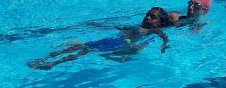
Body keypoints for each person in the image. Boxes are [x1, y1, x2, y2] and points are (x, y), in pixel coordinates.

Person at [28, 7, 173, 70]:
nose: (147, 17)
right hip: (110, 39)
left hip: (119, 43)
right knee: (78, 47)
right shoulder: (136, 26)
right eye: (147, 14)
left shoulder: (154, 29)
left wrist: (164, 46)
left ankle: (52, 64)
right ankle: (45, 60)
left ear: (158, 21)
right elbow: (118, 27)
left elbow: (164, 37)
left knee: (83, 50)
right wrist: (98, 24)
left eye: (152, 17)